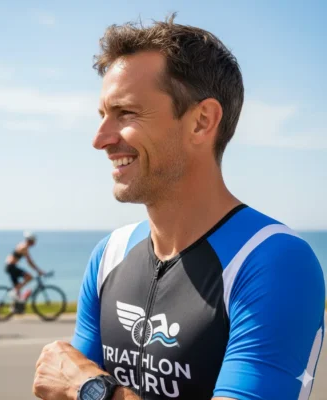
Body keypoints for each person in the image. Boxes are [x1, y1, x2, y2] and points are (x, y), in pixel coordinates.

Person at [33, 14, 325, 400]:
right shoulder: (108, 256)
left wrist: (90, 389)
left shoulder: (272, 261)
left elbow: (75, 387)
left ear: (201, 121)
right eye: (103, 116)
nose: (100, 139)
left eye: (126, 113)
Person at [5, 231, 44, 301]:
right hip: (11, 266)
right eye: (34, 241)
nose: (34, 243)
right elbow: (29, 261)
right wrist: (38, 270)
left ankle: (16, 301)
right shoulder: (24, 247)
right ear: (30, 240)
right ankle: (14, 291)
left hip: (10, 266)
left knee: (18, 292)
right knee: (29, 277)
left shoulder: (22, 245)